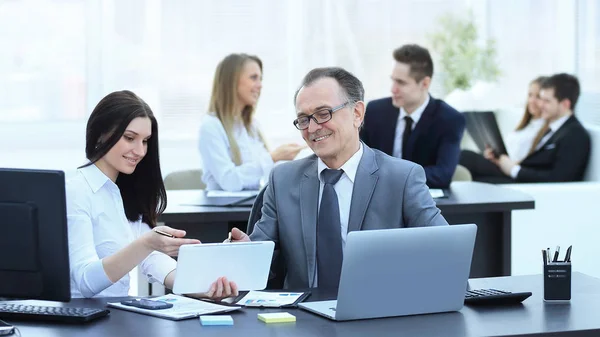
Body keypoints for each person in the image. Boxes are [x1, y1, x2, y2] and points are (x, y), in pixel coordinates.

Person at [230, 67, 449, 289]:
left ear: (357, 114)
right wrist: (242, 251)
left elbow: (446, 250)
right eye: (303, 119)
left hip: (378, 314)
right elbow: (259, 255)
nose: (313, 128)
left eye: (323, 113)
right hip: (302, 316)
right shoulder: (283, 179)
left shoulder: (402, 178)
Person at [67, 90, 237, 299]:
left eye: (145, 141)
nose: (139, 151)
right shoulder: (76, 190)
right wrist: (146, 243)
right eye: (130, 138)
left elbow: (154, 261)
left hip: (115, 316)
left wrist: (205, 289)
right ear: (101, 133)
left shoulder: (126, 192)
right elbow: (86, 281)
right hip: (80, 321)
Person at [360, 44, 465, 188]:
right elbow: (360, 162)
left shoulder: (450, 119)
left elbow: (442, 174)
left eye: (401, 83)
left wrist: (391, 178)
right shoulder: (374, 111)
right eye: (393, 80)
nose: (393, 89)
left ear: (425, 83)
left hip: (421, 202)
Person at [199, 53, 304, 191]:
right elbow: (230, 182)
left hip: (251, 206)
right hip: (224, 211)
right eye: (253, 78)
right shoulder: (211, 126)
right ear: (231, 81)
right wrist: (272, 158)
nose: (260, 85)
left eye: (260, 79)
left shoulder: (252, 126)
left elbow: (263, 176)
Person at [461, 73, 590, 183]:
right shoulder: (554, 130)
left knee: (469, 165)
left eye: (546, 101)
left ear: (565, 104)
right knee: (472, 173)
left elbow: (558, 178)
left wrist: (514, 170)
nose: (540, 104)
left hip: (529, 188)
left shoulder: (575, 134)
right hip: (521, 177)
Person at [460, 76, 550, 174]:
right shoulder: (525, 126)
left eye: (538, 97)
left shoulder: (547, 129)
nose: (532, 100)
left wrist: (509, 165)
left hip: (513, 172)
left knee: (465, 157)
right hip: (502, 165)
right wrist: (494, 157)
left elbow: (532, 162)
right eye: (530, 95)